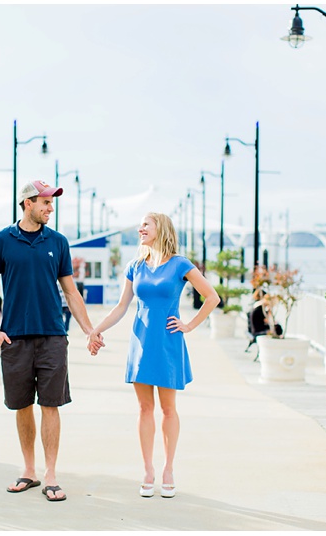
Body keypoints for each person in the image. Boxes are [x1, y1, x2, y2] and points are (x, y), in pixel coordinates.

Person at [0, 179, 103, 503]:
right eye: (45, 203)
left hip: (52, 335)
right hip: (16, 339)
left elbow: (71, 291)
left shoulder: (59, 242)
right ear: (27, 203)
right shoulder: (1, 241)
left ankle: (50, 474)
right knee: (22, 406)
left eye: (52, 203)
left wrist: (89, 329)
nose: (50, 209)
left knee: (51, 405)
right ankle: (29, 470)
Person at [86, 213, 219, 499]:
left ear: (161, 228)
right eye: (140, 225)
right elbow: (122, 306)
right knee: (145, 409)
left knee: (168, 408)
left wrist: (189, 325)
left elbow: (212, 297)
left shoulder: (180, 264)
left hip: (168, 341)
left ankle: (168, 469)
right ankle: (148, 470)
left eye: (146, 224)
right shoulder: (135, 266)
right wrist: (96, 330)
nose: (140, 229)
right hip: (141, 343)